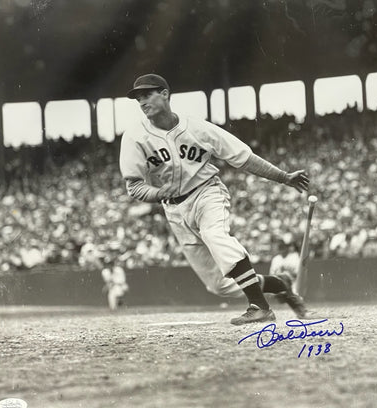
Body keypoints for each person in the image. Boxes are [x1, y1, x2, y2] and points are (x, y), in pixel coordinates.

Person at [119, 74, 311, 325]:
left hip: (206, 192)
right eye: (139, 98)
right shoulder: (134, 137)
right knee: (219, 285)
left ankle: (259, 306)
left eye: (147, 95)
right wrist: (156, 193)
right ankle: (279, 284)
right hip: (174, 210)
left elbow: (243, 157)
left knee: (214, 234)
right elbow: (133, 186)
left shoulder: (198, 127)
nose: (142, 102)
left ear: (165, 94)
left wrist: (283, 177)